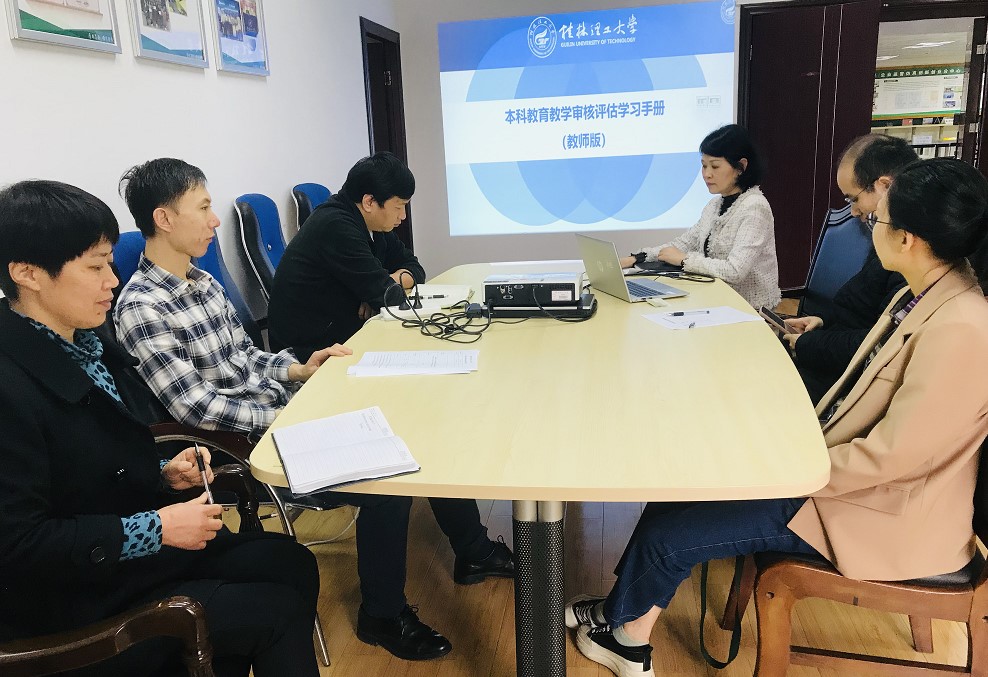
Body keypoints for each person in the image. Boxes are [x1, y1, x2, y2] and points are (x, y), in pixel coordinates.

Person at [566, 157, 988, 677]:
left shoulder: (962, 327)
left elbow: (895, 459)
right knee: (678, 487)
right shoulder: (927, 294)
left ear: (908, 239)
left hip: (876, 512)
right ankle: (620, 612)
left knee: (671, 535)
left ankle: (628, 645)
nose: (867, 223)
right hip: (843, 481)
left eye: (876, 219)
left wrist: (787, 469)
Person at [114, 158, 514, 661]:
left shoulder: (204, 283)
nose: (215, 220)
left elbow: (247, 358)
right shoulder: (142, 307)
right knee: (386, 484)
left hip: (283, 409)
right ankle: (382, 615)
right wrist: (289, 415)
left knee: (416, 425)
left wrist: (299, 369)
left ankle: (473, 552)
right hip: (244, 442)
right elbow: (196, 407)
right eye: (204, 207)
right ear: (164, 218)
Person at [0, 180, 320, 677]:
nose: (112, 280)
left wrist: (163, 473)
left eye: (110, 263)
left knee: (290, 563)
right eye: (95, 267)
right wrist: (155, 528)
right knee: (272, 613)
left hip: (121, 559)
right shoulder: (11, 384)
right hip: (75, 599)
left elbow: (90, 461)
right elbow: (19, 544)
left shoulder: (85, 343)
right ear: (27, 274)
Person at [782, 134, 912, 403]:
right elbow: (862, 310)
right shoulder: (888, 239)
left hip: (843, 381)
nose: (853, 211)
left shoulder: (908, 253)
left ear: (885, 187)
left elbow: (881, 343)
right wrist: (823, 322)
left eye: (853, 199)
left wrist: (809, 344)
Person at [268, 151, 423, 360]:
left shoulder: (374, 224)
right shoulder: (336, 226)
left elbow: (415, 269)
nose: (403, 216)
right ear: (369, 202)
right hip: (307, 350)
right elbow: (390, 297)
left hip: (340, 331)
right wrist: (380, 291)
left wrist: (385, 285)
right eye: (399, 207)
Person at [620, 124, 779, 310]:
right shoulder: (714, 205)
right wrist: (638, 258)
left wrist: (684, 260)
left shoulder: (755, 207)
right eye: (704, 166)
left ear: (741, 167)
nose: (706, 174)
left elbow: (735, 271)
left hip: (750, 310)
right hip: (716, 302)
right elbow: (683, 244)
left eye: (715, 166)